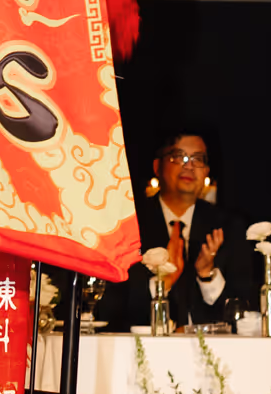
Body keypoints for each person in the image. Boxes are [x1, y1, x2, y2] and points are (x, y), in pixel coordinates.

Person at [105, 129, 246, 331]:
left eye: (198, 159)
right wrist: (164, 283)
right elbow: (111, 308)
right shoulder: (128, 225)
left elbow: (243, 312)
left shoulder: (228, 227)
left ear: (206, 171)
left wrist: (208, 276)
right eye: (179, 157)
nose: (189, 166)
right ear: (157, 166)